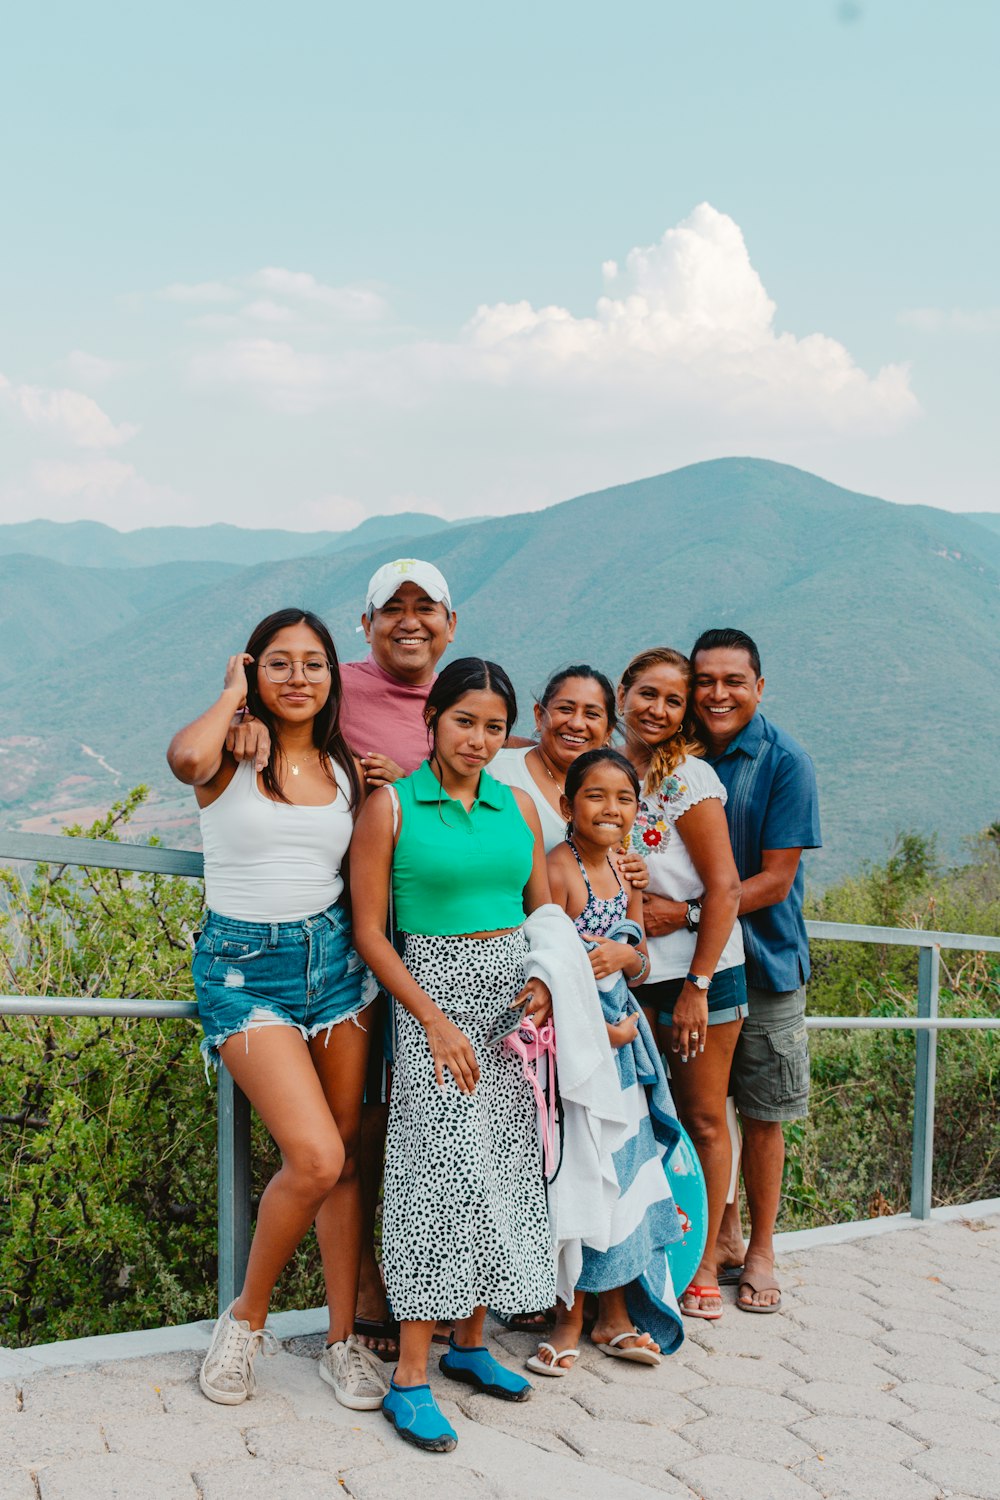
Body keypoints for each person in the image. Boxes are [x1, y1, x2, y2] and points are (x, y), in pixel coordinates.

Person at [227, 557, 457, 1358]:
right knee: (339, 1141)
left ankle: (416, 1302)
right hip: (329, 944)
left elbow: (508, 766)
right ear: (364, 625)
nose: (409, 620)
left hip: (416, 949)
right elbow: (223, 746)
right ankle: (337, 1304)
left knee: (404, 1127)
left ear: (450, 623)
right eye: (390, 608)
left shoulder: (462, 696)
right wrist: (238, 711)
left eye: (425, 607)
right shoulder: (331, 683)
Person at [166, 608, 391, 1412]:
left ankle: (341, 1343)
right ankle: (245, 1321)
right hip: (243, 971)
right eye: (278, 664)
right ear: (255, 672)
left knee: (346, 1162)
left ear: (334, 677)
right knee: (317, 1155)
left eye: (315, 664)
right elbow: (182, 755)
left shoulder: (347, 771)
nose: (298, 677)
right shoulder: (228, 756)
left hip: (336, 972)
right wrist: (233, 697)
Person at [351, 658, 557, 1454]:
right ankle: (409, 1378)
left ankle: (470, 1345)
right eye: (464, 720)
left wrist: (544, 981)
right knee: (434, 1182)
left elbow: (539, 911)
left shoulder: (521, 809)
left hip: (511, 1016)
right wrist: (431, 1019)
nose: (478, 739)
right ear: (431, 720)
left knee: (503, 1173)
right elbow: (372, 929)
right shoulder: (393, 807)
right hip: (432, 1005)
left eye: (494, 726)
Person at [529, 747, 685, 1375]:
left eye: (624, 798)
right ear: (567, 805)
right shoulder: (557, 871)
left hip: (622, 1043)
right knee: (582, 1172)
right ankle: (570, 1314)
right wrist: (603, 1032)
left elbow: (639, 954)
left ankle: (616, 1312)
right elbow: (543, 963)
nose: (611, 809)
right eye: (595, 796)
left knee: (624, 1168)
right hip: (579, 1050)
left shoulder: (625, 871)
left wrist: (627, 959)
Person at [689, 627, 821, 1314]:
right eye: (705, 680)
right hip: (689, 968)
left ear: (758, 687)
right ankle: (716, 1235)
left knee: (762, 1112)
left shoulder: (783, 760)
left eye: (732, 681)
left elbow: (776, 878)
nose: (717, 694)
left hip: (765, 961)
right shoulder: (675, 753)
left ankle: (763, 1248)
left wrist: (690, 912)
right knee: (700, 1109)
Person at [617, 647, 746, 1322]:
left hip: (702, 976)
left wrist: (697, 983)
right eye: (647, 694)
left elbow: (723, 887)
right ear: (622, 693)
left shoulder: (690, 780)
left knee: (700, 1116)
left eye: (673, 700)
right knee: (636, 1119)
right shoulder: (604, 774)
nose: (658, 709)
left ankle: (700, 1268)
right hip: (632, 976)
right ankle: (641, 1255)